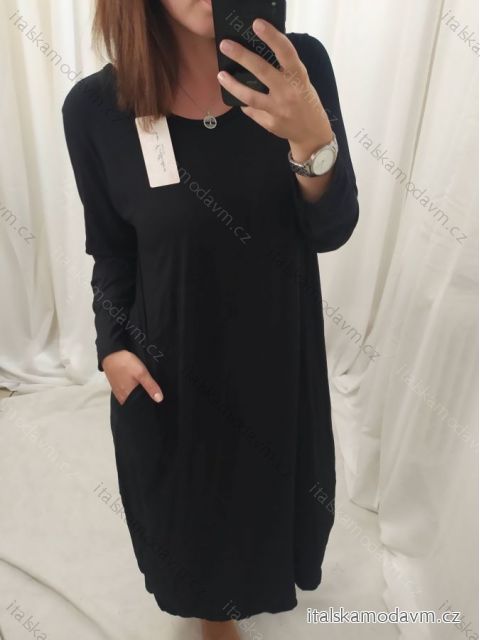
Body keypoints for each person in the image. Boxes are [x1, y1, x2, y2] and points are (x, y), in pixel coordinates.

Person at [62, 0, 359, 638]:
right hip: (172, 365)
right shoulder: (95, 110)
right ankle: (211, 612)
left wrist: (312, 139)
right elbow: (111, 248)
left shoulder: (299, 68)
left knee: (275, 499)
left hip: (278, 358)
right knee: (193, 514)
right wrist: (112, 347)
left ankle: (252, 588)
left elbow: (330, 229)